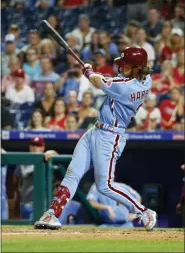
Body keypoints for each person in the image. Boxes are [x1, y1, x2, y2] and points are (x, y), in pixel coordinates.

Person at [35, 46, 157, 231]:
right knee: (72, 173)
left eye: (126, 64)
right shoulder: (144, 79)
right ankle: (52, 213)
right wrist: (92, 73)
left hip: (111, 136)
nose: (121, 66)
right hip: (95, 131)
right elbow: (104, 80)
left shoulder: (129, 88)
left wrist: (90, 72)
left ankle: (143, 211)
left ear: (137, 68)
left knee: (104, 185)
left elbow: (97, 81)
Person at [13, 137, 57, 220]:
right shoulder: (24, 160)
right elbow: (16, 180)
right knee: (26, 230)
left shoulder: (48, 159)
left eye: (38, 145)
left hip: (42, 205)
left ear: (43, 147)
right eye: (33, 145)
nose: (35, 148)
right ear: (29, 147)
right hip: (26, 203)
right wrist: (19, 196)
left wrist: (53, 152)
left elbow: (57, 160)